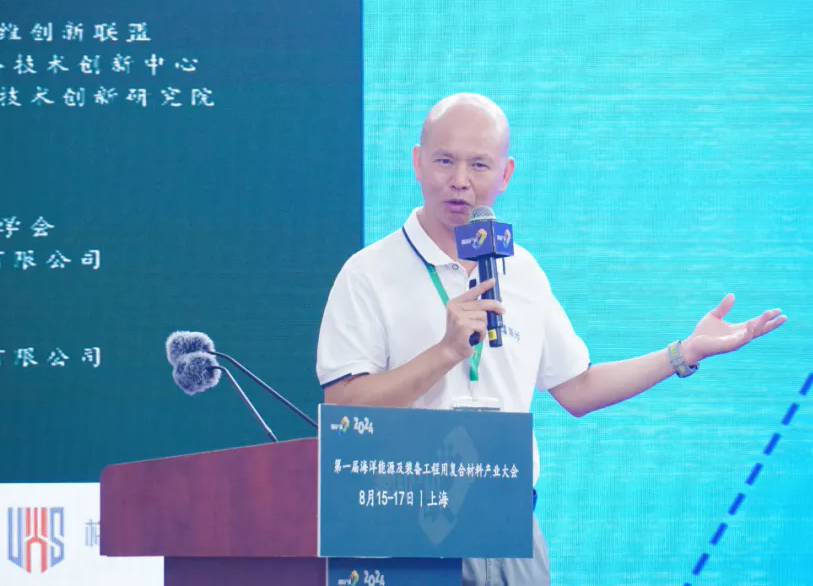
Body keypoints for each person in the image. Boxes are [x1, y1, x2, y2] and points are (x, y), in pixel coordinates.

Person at [315, 93, 786, 585]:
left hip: (509, 523)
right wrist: (445, 352)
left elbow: (577, 387)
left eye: (479, 165)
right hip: (403, 528)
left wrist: (683, 352)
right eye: (444, 161)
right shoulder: (369, 273)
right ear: (417, 162)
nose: (460, 180)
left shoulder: (521, 270)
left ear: (505, 174)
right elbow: (343, 408)